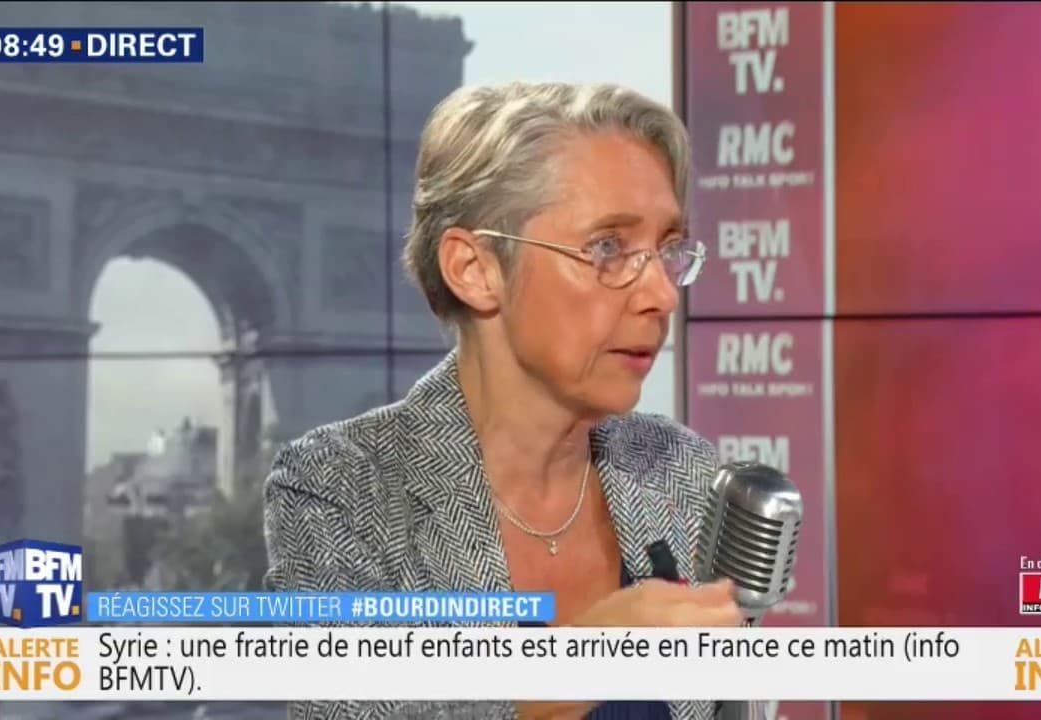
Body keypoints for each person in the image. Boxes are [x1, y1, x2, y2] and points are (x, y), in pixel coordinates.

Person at [263, 80, 740, 720]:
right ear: (475, 269)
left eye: (669, 251)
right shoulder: (341, 489)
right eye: (608, 248)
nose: (662, 294)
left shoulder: (682, 471)